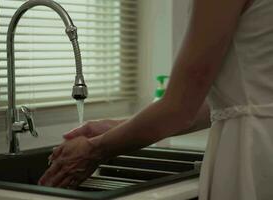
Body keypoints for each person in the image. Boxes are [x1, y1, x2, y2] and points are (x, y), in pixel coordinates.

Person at [39, 0, 273, 199]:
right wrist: (115, 128)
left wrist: (93, 150)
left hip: (252, 151)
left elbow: (180, 109)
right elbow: (223, 104)